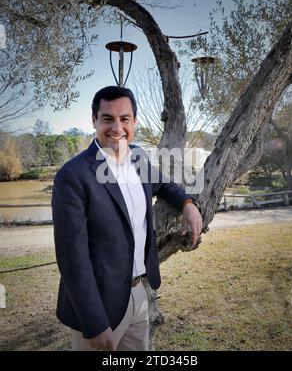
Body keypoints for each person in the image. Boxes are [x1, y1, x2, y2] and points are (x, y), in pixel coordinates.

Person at [52, 86, 202, 351]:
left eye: (124, 119)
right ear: (94, 121)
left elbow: (164, 185)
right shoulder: (72, 176)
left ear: (134, 122)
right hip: (100, 306)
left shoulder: (138, 157)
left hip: (139, 294)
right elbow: (72, 258)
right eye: (107, 118)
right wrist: (94, 321)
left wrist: (188, 203)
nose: (116, 127)